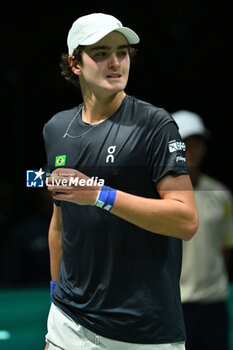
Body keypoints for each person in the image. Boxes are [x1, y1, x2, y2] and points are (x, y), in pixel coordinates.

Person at [43, 13, 198, 350]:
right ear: (75, 63)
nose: (115, 63)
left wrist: (100, 194)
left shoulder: (155, 125)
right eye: (101, 53)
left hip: (142, 333)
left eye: (122, 52)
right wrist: (56, 297)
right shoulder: (56, 129)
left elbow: (186, 220)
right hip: (68, 324)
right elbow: (60, 223)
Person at [172, 110, 233, 350]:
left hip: (213, 308)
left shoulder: (221, 194)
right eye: (184, 142)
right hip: (171, 309)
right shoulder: (153, 195)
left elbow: (226, 247)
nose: (191, 149)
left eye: (196, 142)